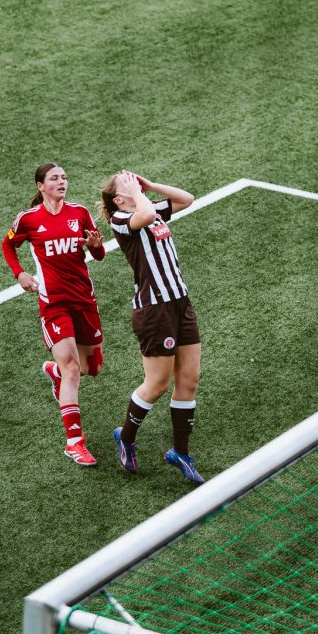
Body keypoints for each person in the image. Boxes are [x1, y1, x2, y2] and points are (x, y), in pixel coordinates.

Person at [99, 170, 205, 484]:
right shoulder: (121, 218)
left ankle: (180, 453)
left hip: (180, 303)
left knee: (189, 378)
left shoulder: (149, 208)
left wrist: (148, 185)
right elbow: (143, 212)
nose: (132, 181)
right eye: (125, 182)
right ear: (118, 199)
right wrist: (138, 195)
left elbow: (186, 199)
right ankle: (126, 436)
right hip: (154, 310)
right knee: (157, 384)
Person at [2, 162, 106, 466]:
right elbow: (8, 246)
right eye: (55, 178)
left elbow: (97, 254)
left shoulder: (80, 213)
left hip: (84, 300)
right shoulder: (28, 220)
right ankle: (75, 443)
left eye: (64, 177)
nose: (62, 182)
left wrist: (96, 246)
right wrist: (19, 274)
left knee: (92, 368)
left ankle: (55, 372)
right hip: (53, 305)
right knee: (73, 367)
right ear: (40, 186)